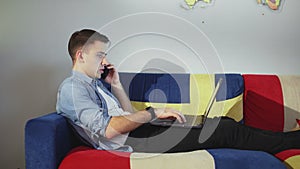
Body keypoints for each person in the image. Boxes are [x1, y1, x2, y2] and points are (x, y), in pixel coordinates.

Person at [56, 29, 300, 154]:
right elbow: (110, 130)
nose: (104, 61)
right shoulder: (73, 89)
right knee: (226, 130)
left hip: (140, 133)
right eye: (100, 55)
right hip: (137, 142)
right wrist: (153, 112)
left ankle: (286, 137)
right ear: (81, 55)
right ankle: (293, 141)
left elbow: (127, 116)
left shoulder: (97, 85)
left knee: (222, 122)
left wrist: (116, 84)